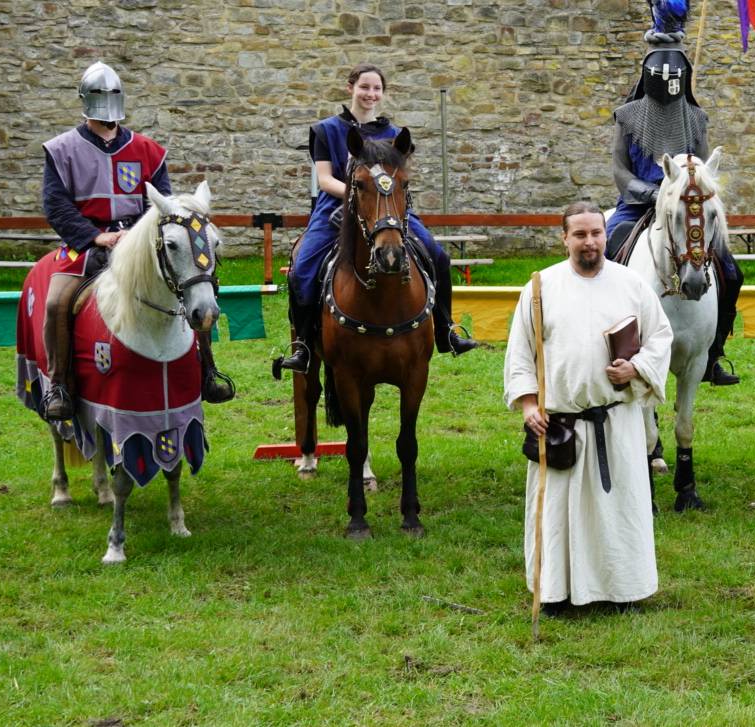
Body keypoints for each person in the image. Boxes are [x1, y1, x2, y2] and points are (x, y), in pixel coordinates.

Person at [504, 202, 674, 613]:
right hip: (560, 424)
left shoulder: (631, 284)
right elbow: (521, 352)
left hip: (616, 422)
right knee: (557, 517)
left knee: (618, 515)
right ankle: (556, 593)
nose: (589, 242)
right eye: (579, 234)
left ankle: (623, 589)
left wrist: (635, 368)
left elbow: (660, 337)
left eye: (596, 233)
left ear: (605, 235)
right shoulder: (541, 287)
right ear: (564, 238)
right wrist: (529, 404)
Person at [40, 61, 233, 421]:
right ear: (84, 100)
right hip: (87, 244)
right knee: (56, 304)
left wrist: (139, 234)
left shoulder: (149, 150)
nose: (106, 107)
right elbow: (55, 204)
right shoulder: (62, 149)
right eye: (100, 97)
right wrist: (97, 236)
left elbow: (167, 206)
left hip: (142, 243)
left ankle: (208, 371)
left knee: (195, 289)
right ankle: (60, 386)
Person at [275, 63, 477, 377]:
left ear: (382, 93)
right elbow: (325, 179)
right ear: (350, 88)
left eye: (376, 88)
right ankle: (303, 344)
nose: (371, 94)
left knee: (438, 256)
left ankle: (446, 330)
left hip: (391, 211)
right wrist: (357, 196)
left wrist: (383, 200)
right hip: (336, 207)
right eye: (364, 87)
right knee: (303, 267)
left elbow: (399, 180)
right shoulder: (326, 130)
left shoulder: (395, 134)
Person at [606, 0, 743, 386]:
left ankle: (713, 353)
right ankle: (611, 345)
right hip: (636, 207)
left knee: (730, 271)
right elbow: (619, 168)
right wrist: (648, 193)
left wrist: (689, 191)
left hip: (688, 208)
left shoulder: (696, 118)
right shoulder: (627, 115)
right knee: (607, 253)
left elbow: (701, 170)